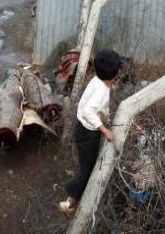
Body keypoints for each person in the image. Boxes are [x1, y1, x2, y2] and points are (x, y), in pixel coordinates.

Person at [59, 49, 121, 217]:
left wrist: (107, 117)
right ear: (116, 72)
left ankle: (73, 200)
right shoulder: (102, 89)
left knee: (86, 166)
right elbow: (88, 111)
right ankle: (69, 203)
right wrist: (105, 130)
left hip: (83, 129)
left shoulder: (98, 81)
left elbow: (95, 108)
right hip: (88, 134)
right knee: (87, 170)